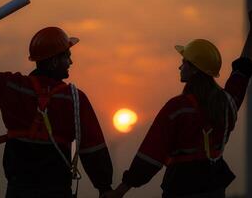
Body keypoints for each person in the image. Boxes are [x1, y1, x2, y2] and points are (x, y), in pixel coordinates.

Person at [0, 15, 113, 198]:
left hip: (18, 191)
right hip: (57, 193)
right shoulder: (74, 99)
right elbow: (93, 148)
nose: (71, 62)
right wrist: (104, 188)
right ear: (54, 61)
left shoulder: (13, 86)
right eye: (67, 56)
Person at [103, 12, 252, 198]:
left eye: (184, 62)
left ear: (195, 69)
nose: (180, 67)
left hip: (181, 187)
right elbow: (243, 71)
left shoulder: (177, 108)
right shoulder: (227, 104)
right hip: (215, 186)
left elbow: (151, 153)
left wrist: (121, 190)